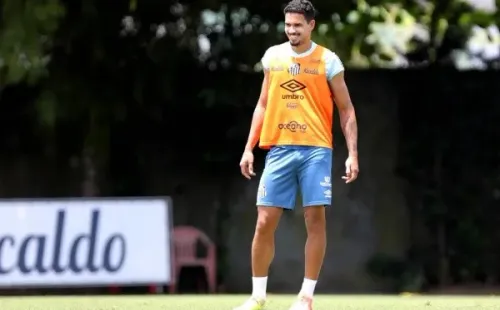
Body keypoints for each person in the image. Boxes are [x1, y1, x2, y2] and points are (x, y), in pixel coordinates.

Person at [234, 0, 359, 309]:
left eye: (298, 26)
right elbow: (263, 104)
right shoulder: (272, 57)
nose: (292, 31)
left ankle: (306, 297)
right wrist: (249, 148)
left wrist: (352, 153)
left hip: (316, 149)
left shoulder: (328, 61)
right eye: (288, 25)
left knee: (315, 218)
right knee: (264, 221)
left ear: (311, 25)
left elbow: (346, 109)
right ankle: (258, 297)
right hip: (279, 148)